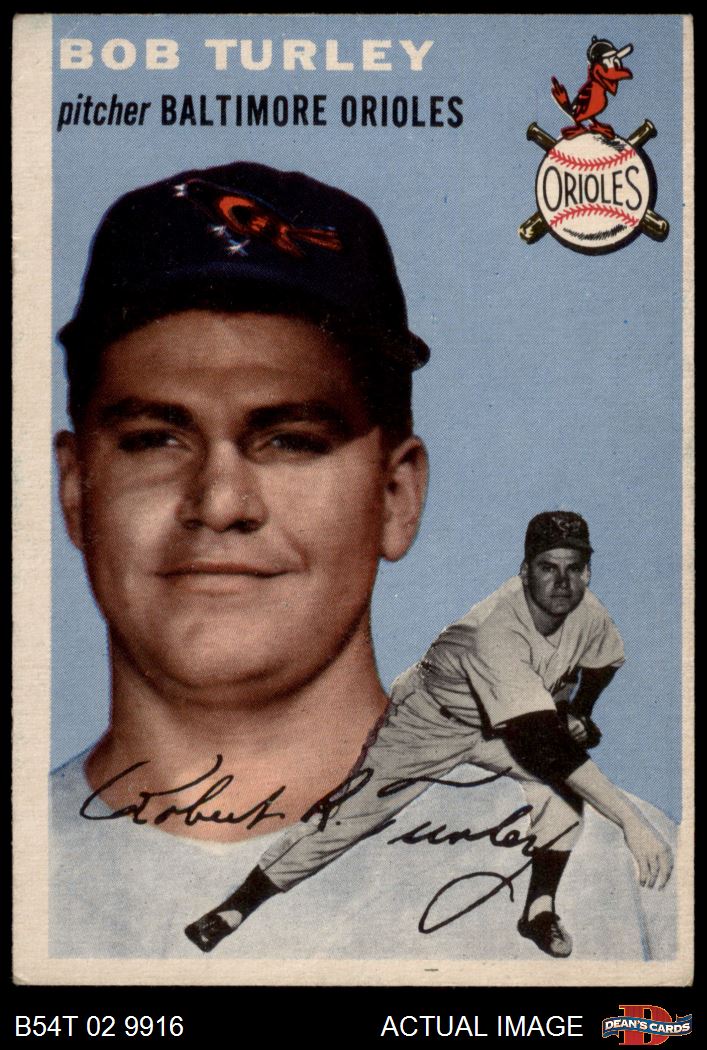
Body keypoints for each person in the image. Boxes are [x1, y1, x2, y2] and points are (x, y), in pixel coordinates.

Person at [50, 161, 430, 954]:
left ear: (395, 497)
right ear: (78, 491)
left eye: (290, 440)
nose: (220, 503)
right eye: (154, 439)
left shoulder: (622, 883)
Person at [186, 510, 674, 959]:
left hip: (505, 726)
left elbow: (603, 661)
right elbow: (541, 744)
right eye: (548, 567)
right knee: (350, 818)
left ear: (588, 572)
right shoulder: (497, 630)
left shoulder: (588, 612)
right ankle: (236, 907)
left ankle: (538, 910)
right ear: (525, 571)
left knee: (564, 797)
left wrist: (579, 710)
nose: (562, 581)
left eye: (574, 568)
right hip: (430, 721)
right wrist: (631, 823)